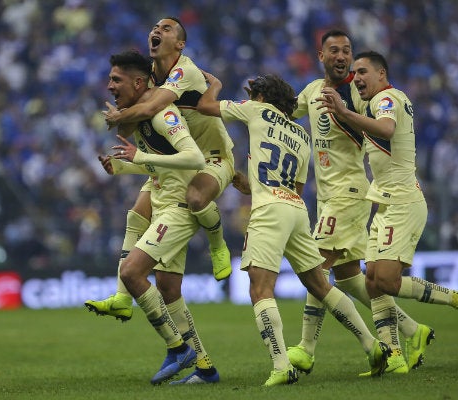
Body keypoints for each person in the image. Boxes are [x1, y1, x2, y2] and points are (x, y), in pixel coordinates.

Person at [196, 72, 391, 386]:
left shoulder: (255, 109)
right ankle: (372, 344)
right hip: (295, 210)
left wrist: (216, 85)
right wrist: (252, 186)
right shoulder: (301, 134)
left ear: (261, 96)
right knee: (320, 285)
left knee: (260, 289)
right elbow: (295, 187)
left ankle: (281, 364)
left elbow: (205, 106)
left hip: (269, 211)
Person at [319, 50, 458, 374]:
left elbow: (386, 129)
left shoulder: (388, 99)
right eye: (356, 73)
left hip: (404, 203)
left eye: (364, 71)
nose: (359, 78)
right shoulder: (374, 103)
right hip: (383, 202)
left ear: (382, 74)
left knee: (387, 281)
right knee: (371, 282)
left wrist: (342, 110)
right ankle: (394, 355)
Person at [287, 30, 433, 375]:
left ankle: (307, 348)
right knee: (354, 279)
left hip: (349, 193)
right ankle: (414, 331)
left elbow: (385, 122)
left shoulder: (358, 92)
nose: (341, 56)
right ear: (320, 56)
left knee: (315, 267)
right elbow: (283, 112)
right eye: (334, 50)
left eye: (347, 51)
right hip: (327, 198)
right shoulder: (310, 91)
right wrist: (262, 104)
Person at [95, 49, 220, 385]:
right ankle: (205, 368)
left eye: (116, 80)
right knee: (167, 289)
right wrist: (122, 166)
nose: (109, 86)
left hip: (179, 209)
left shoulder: (164, 115)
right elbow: (156, 164)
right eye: (110, 79)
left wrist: (140, 155)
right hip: (164, 202)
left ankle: (177, 348)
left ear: (139, 83)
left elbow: (194, 159)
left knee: (132, 272)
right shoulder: (139, 116)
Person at [102, 16, 235, 284]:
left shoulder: (184, 71)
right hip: (180, 160)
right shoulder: (149, 76)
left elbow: (150, 109)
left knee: (196, 197)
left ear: (180, 44)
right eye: (154, 28)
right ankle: (121, 296)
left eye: (166, 29)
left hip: (213, 157)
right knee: (138, 213)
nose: (157, 30)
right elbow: (127, 130)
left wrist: (121, 115)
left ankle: (218, 245)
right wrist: (125, 116)